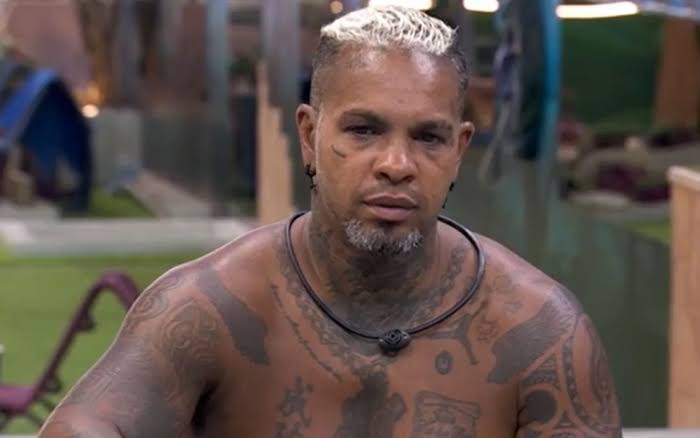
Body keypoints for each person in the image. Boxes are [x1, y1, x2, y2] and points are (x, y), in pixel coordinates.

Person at [39, 6, 621, 437]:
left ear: (459, 150)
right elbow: (83, 427)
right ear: (309, 135)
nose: (396, 164)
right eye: (364, 130)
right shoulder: (212, 308)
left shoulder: (540, 334)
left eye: (428, 137)